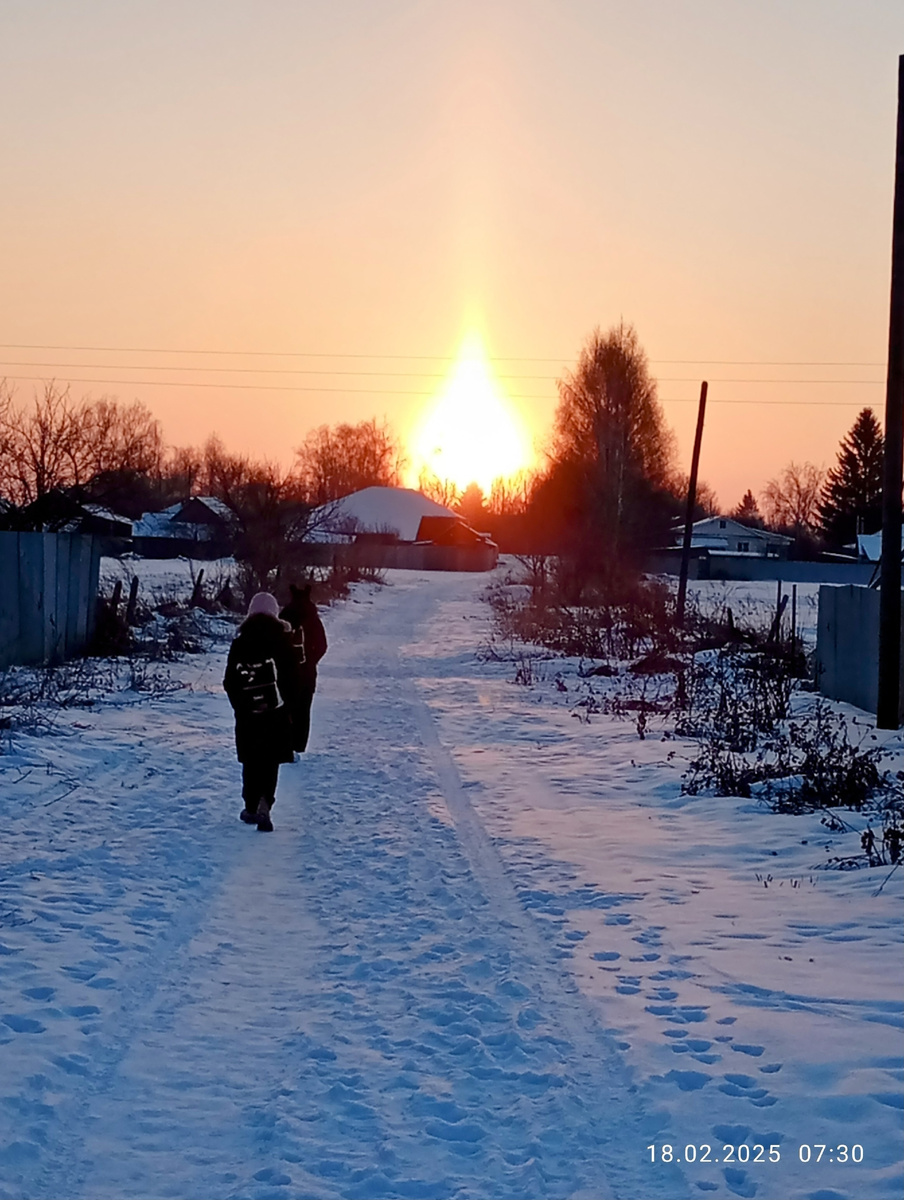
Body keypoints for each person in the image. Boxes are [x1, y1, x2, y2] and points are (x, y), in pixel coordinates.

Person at [223, 592, 300, 831]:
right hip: (276, 712)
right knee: (270, 761)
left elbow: (229, 681)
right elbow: (293, 678)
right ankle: (266, 801)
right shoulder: (283, 640)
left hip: (248, 714)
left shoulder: (240, 641)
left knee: (251, 760)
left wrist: (240, 706)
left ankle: (251, 806)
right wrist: (289, 707)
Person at [279, 583, 328, 753]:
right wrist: (311, 661)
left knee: (285, 709)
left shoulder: (284, 618)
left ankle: (285, 744)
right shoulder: (314, 619)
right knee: (303, 711)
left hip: (285, 674)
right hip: (307, 674)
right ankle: (299, 747)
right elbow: (322, 646)